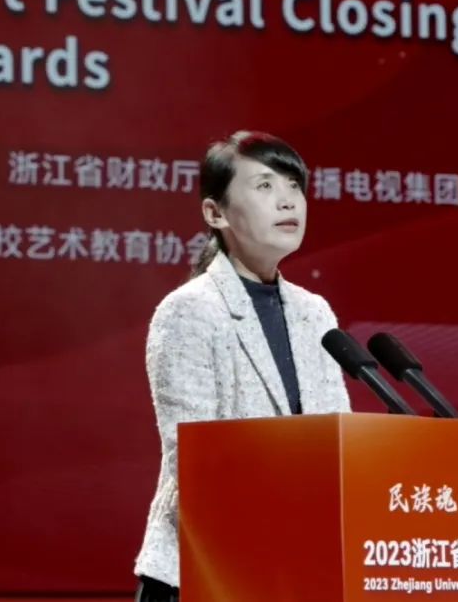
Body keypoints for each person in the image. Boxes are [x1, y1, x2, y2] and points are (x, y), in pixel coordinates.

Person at [133, 131, 352, 601]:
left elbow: (340, 441)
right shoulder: (190, 310)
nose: (288, 200)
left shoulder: (314, 312)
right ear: (215, 213)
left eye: (294, 186)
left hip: (296, 568)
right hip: (204, 571)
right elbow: (194, 455)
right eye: (265, 186)